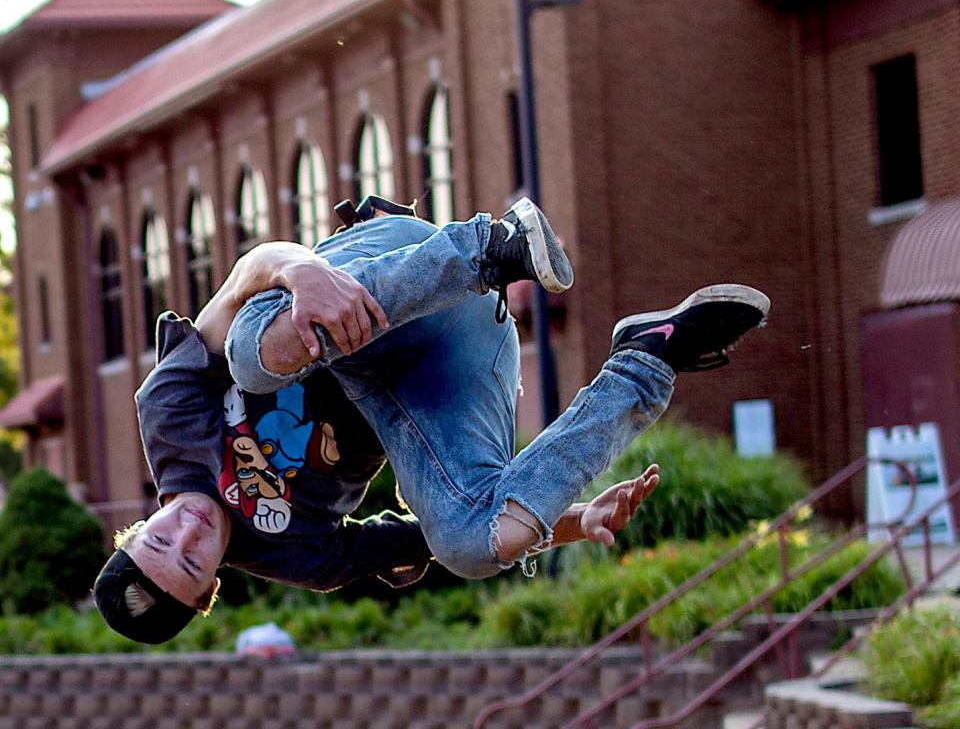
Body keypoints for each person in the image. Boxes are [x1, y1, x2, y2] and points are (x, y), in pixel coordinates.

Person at [95, 197, 768, 644]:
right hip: (449, 367)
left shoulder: (167, 417)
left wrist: (301, 268)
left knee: (248, 354)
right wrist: (576, 521)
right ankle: (649, 361)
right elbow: (426, 539)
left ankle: (493, 247)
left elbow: (245, 278)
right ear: (212, 585)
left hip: (391, 273)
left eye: (158, 541)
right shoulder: (299, 554)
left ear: (134, 531)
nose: (187, 533)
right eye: (190, 561)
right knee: (473, 547)